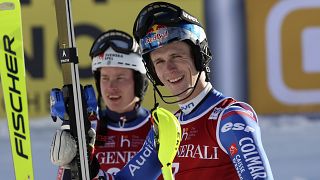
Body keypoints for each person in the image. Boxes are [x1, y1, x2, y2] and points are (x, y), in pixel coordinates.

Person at [103, 1, 274, 179]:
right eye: (159, 62)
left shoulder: (229, 118)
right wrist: (83, 157)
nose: (169, 69)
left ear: (199, 57)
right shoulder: (166, 128)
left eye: (176, 56)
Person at [50, 29, 153, 179]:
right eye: (105, 78)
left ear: (139, 82)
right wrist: (68, 165)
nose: (111, 87)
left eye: (120, 78)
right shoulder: (87, 127)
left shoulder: (155, 128)